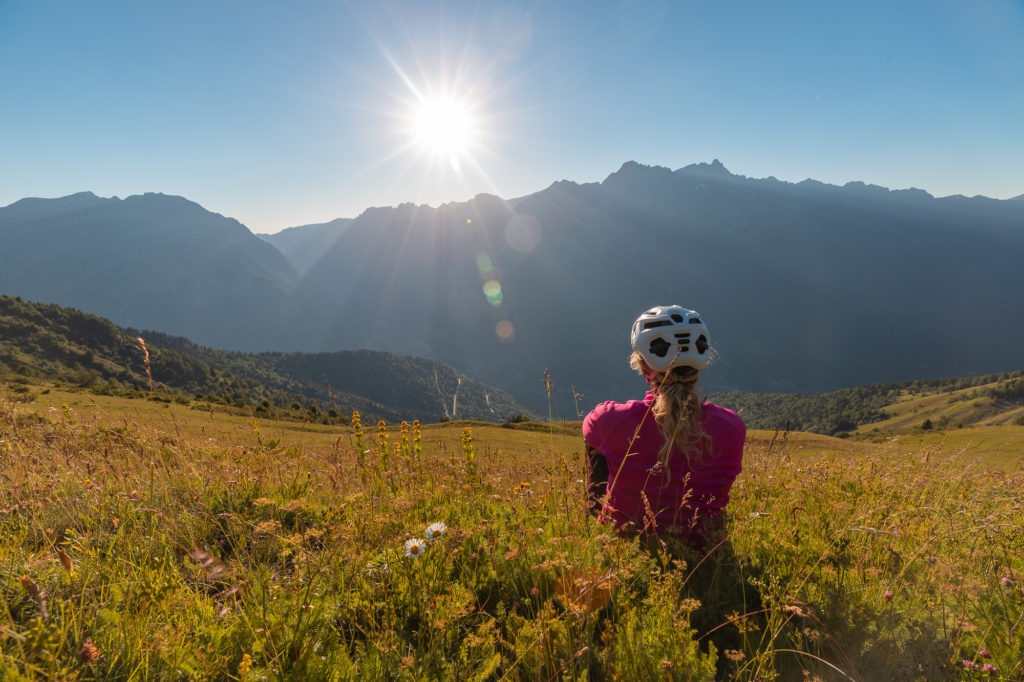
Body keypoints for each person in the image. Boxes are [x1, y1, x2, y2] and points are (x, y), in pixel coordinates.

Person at [583, 305, 745, 546]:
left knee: (597, 448)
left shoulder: (610, 421)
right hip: (704, 554)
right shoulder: (732, 427)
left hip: (626, 549)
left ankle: (593, 528)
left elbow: (589, 431)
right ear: (700, 365)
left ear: (642, 366)